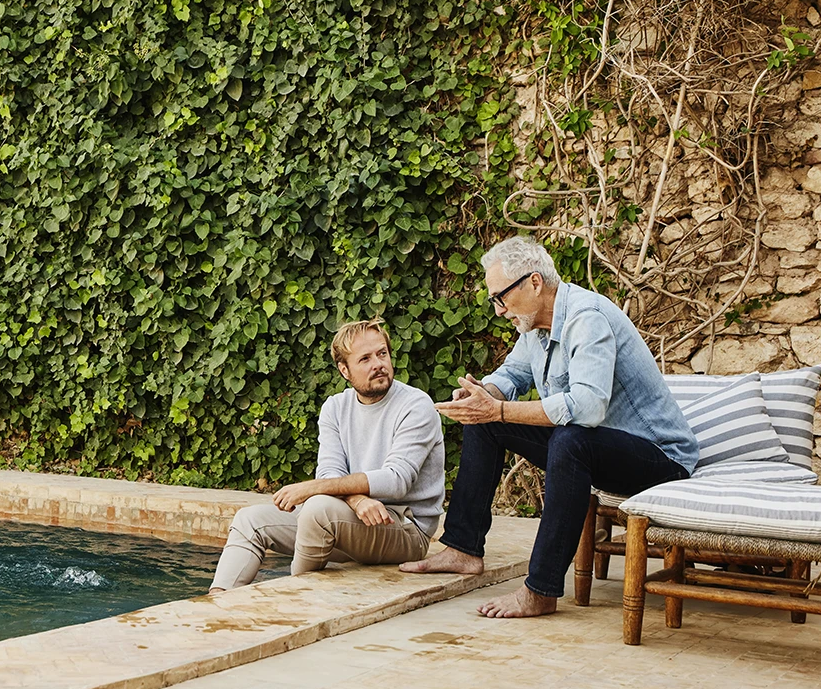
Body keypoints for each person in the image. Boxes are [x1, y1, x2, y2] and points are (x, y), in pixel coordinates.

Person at [401, 236, 697, 618]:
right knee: (484, 422)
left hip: (660, 460)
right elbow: (511, 374)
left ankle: (541, 589)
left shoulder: (587, 319)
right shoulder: (536, 328)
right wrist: (482, 396)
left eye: (501, 298)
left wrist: (501, 410)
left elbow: (588, 408)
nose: (498, 310)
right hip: (604, 450)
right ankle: (463, 548)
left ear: (534, 282)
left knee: (570, 439)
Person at [208, 318, 446, 592]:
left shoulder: (416, 405)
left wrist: (313, 488)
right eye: (365, 359)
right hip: (347, 520)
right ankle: (217, 602)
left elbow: (396, 480)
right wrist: (356, 500)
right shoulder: (335, 407)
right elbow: (330, 471)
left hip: (404, 528)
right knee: (250, 520)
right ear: (344, 370)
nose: (378, 364)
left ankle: (296, 597)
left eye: (382, 354)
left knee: (318, 506)